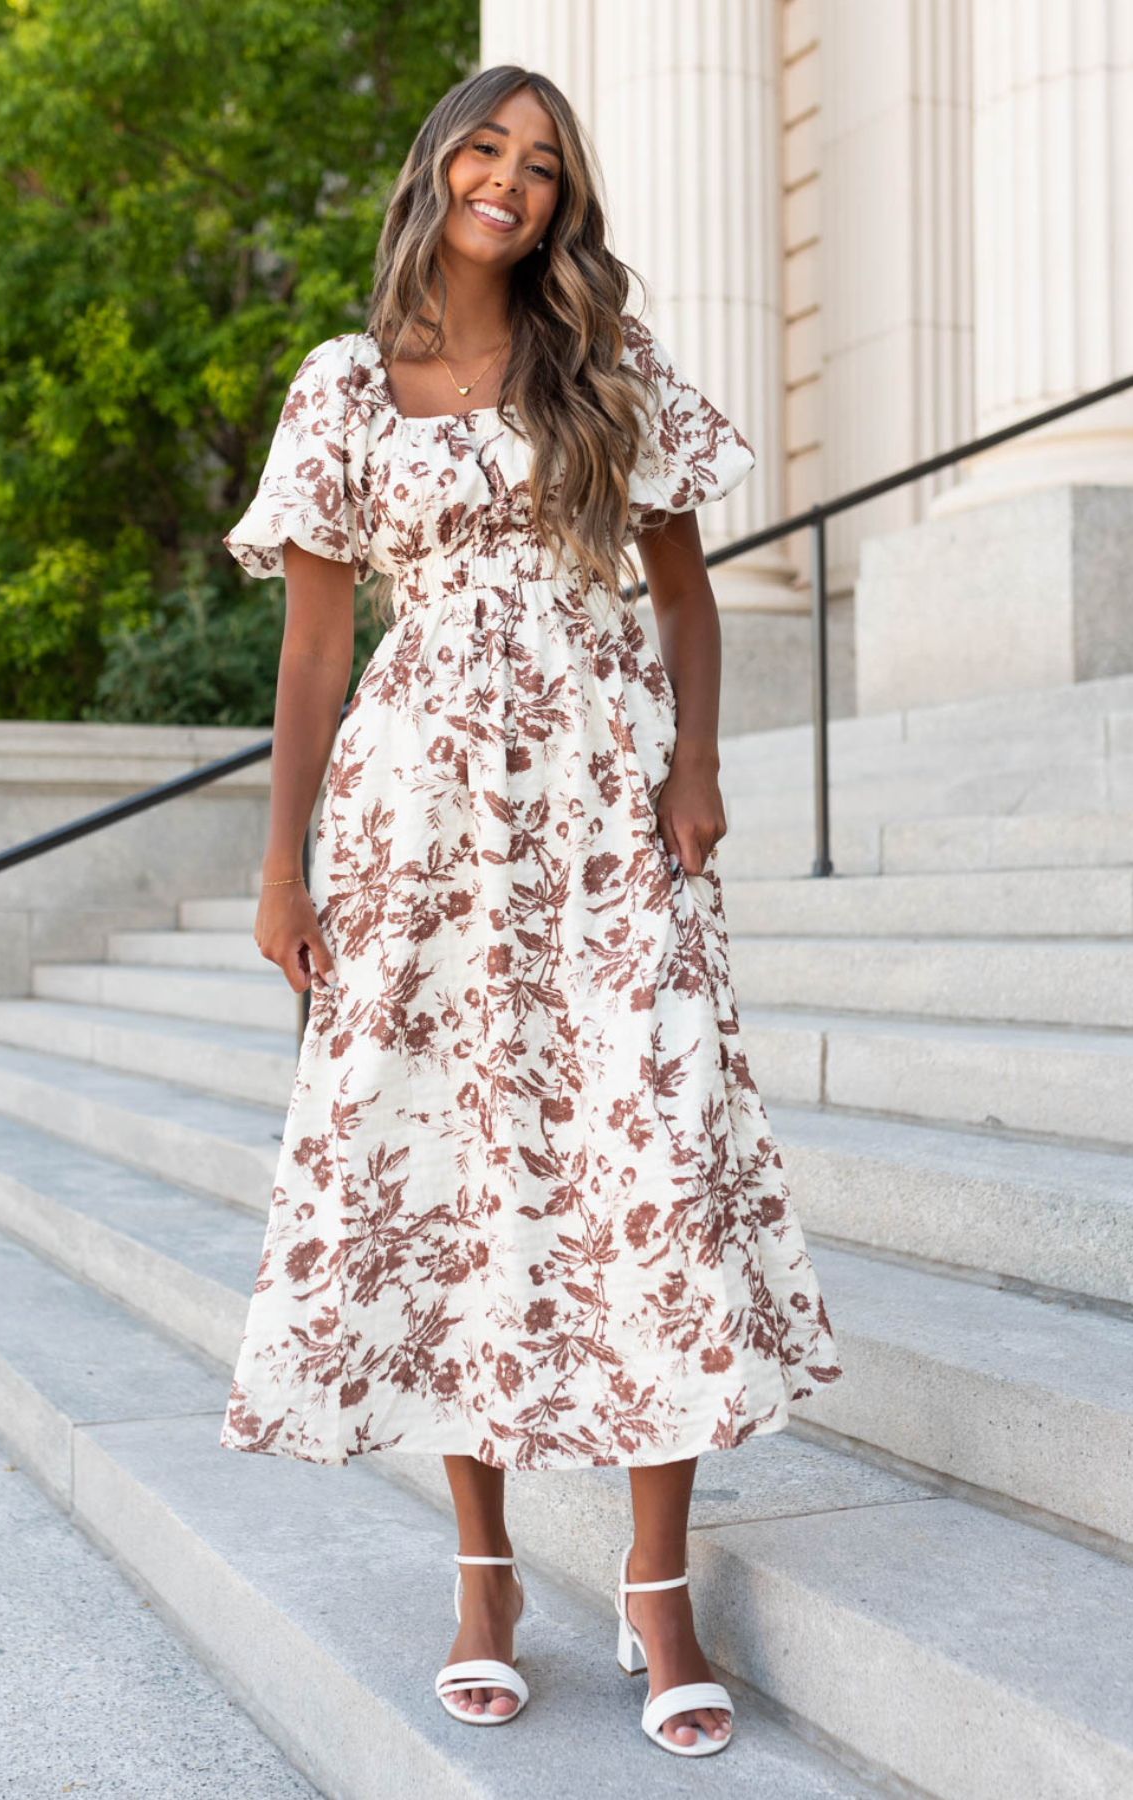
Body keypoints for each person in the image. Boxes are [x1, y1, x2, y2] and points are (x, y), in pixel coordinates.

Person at [218, 63, 844, 1759]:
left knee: (645, 1160)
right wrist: (285, 867)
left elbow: (685, 593)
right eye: (487, 150)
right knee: (452, 1177)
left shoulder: (604, 368)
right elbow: (312, 650)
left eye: (544, 168)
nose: (511, 183)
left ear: (563, 206)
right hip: (416, 828)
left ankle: (656, 1590)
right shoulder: (343, 388)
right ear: (436, 167)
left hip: (602, 812)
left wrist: (694, 768)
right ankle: (482, 1574)